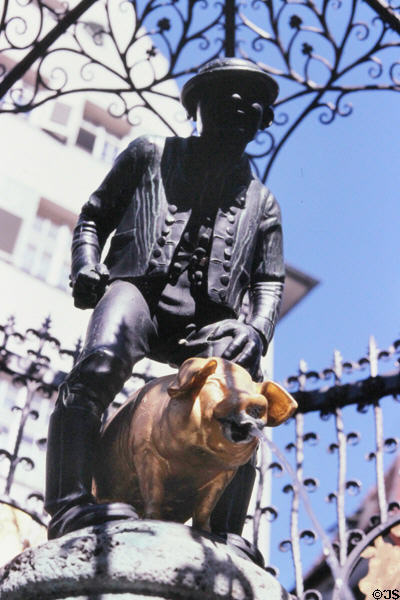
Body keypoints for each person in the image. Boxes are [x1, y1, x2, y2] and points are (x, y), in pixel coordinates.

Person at [45, 58, 285, 555]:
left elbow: (268, 281)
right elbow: (93, 217)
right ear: (198, 108)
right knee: (96, 368)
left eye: (251, 105)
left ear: (264, 121)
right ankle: (69, 503)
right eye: (226, 99)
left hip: (213, 319)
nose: (238, 109)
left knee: (243, 393)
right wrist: (87, 265)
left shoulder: (264, 203)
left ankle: (224, 531)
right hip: (138, 291)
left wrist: (256, 330)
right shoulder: (148, 154)